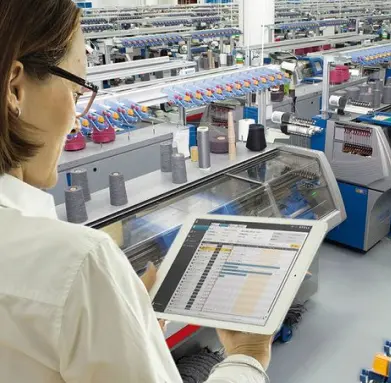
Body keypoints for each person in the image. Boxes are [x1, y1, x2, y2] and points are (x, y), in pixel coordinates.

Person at [0, 1, 273, 382]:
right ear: (15, 88)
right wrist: (246, 359)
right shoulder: (78, 264)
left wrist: (120, 321)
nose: (76, 121)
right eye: (77, 90)